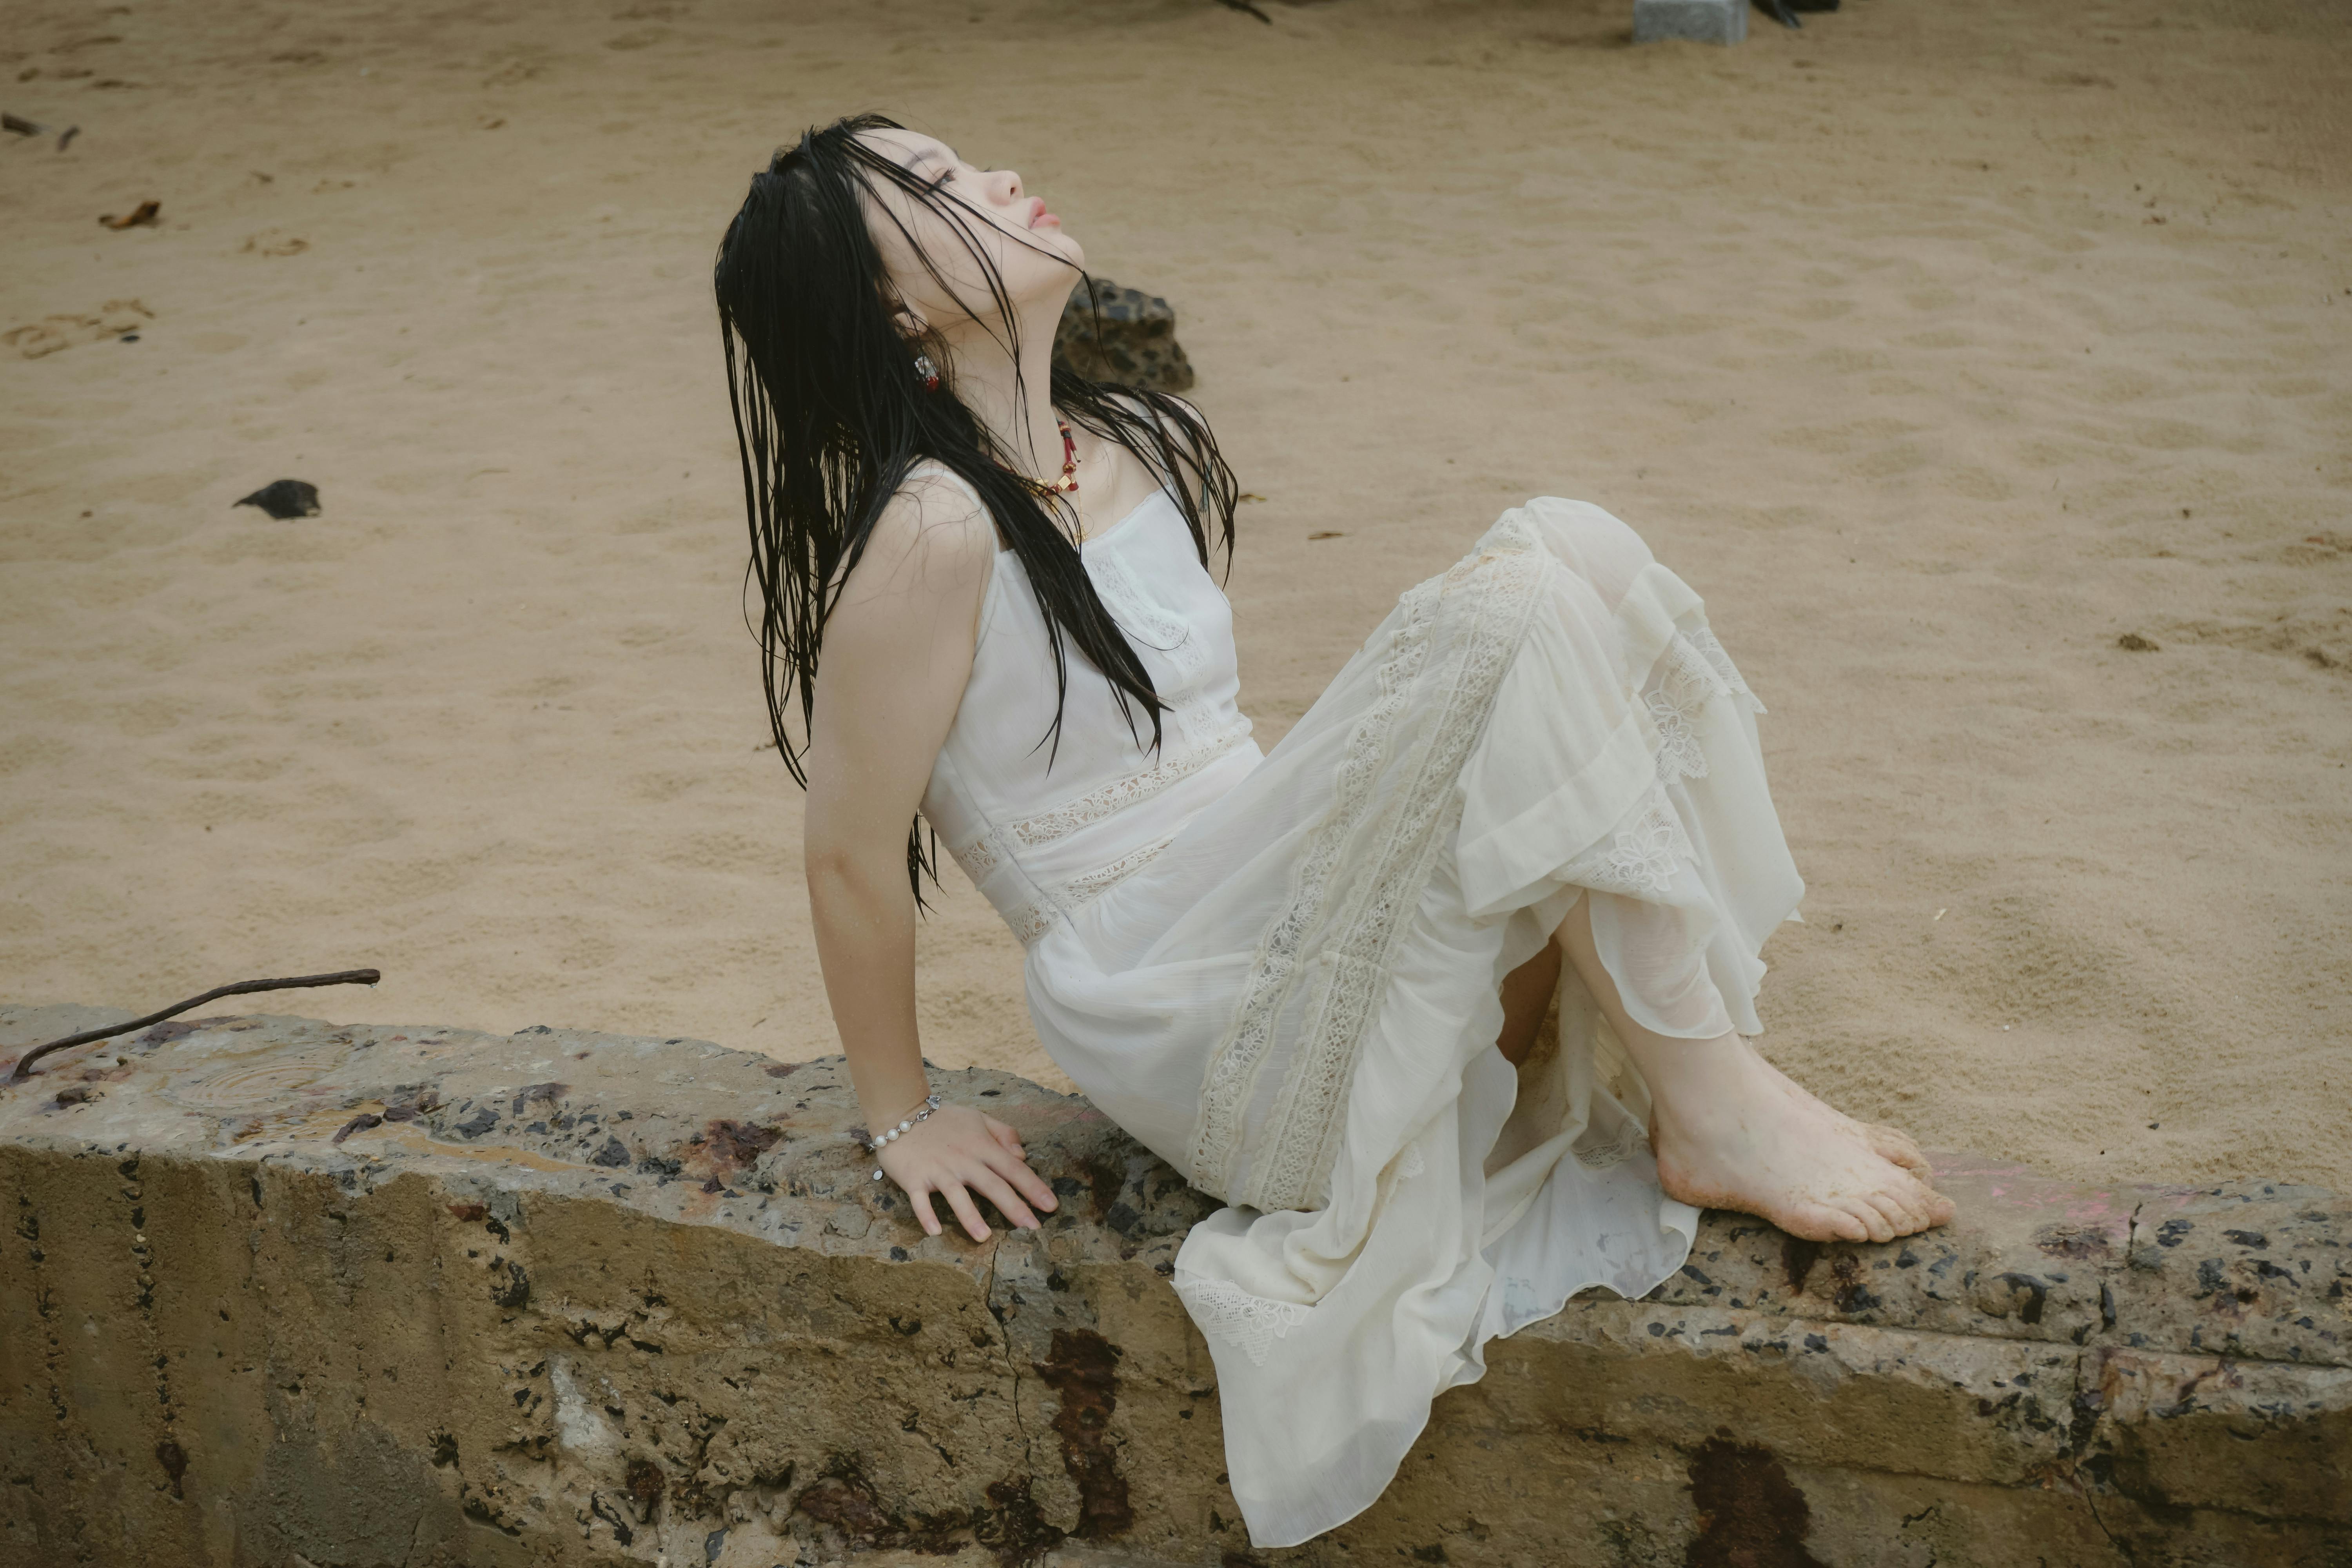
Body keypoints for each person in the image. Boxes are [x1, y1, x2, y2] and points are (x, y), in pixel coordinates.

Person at [711, 113, 1954, 1550]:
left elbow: (1221, 759)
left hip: (1275, 911)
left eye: (966, 157)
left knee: (1580, 556)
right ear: (893, 308)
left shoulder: (1116, 445)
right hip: (1177, 991)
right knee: (1521, 597)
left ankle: (1708, 1087)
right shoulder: (932, 535)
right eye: (934, 187)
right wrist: (903, 1115)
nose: (995, 175)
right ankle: (1717, 1107)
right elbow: (848, 852)